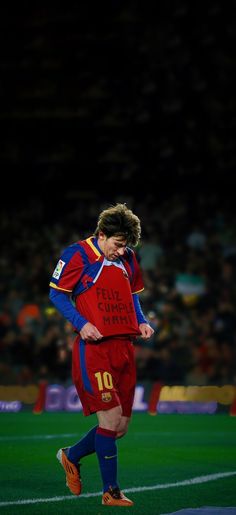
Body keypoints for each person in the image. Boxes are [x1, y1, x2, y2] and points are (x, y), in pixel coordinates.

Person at [49, 203, 154, 507]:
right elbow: (56, 292)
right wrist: (81, 324)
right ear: (102, 234)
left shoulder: (129, 259)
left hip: (125, 347)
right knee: (109, 422)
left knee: (119, 428)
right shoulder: (77, 254)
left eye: (126, 246)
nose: (122, 251)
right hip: (95, 349)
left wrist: (143, 320)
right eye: (118, 244)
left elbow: (134, 297)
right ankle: (111, 491)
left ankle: (71, 456)